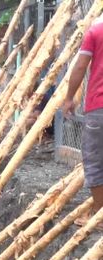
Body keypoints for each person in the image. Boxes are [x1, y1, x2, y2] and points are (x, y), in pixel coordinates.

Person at [62, 17, 103, 222]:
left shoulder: (95, 30)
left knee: (94, 160)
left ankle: (98, 213)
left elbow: (80, 66)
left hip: (99, 106)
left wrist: (70, 97)